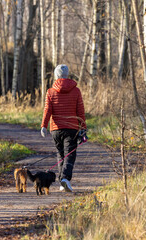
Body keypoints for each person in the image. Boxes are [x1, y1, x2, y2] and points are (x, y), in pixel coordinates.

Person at [40, 64, 87, 192]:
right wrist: (83, 128)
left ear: (56, 75)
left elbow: (47, 110)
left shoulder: (50, 91)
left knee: (61, 154)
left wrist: (43, 126)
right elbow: (80, 112)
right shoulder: (76, 91)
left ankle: (62, 182)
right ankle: (65, 178)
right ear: (67, 75)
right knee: (70, 155)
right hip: (71, 128)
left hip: (55, 129)